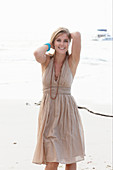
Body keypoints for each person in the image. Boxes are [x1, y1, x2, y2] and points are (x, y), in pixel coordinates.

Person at [32, 27, 85, 170]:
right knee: (52, 160)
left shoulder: (72, 60)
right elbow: (37, 53)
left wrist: (67, 34)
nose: (62, 44)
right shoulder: (46, 61)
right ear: (53, 42)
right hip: (49, 113)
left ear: (69, 43)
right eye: (58, 40)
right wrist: (50, 43)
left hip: (67, 113)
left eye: (65, 41)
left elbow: (77, 35)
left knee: (70, 157)